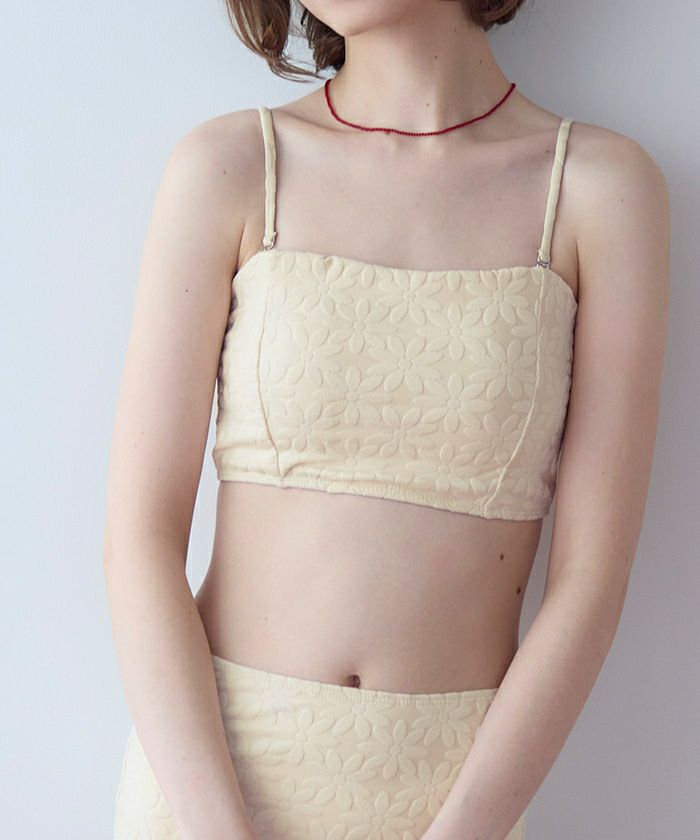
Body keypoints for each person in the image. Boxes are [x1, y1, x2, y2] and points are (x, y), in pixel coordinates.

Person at [103, 1, 670, 838]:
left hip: (457, 799)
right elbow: (139, 540)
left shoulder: (598, 189)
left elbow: (591, 582)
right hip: (205, 790)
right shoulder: (231, 166)